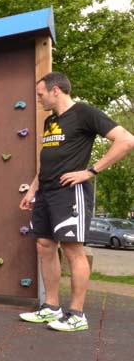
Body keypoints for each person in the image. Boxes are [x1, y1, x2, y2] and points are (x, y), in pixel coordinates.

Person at [19, 72, 134, 331]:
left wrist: (90, 171)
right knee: (44, 245)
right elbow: (47, 160)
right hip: (45, 192)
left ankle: (77, 315)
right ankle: (51, 307)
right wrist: (32, 190)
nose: (38, 99)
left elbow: (126, 140)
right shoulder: (51, 121)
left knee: (72, 249)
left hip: (70, 193)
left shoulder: (84, 113)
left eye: (40, 94)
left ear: (56, 90)